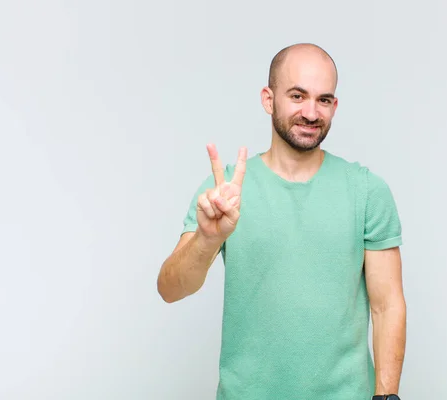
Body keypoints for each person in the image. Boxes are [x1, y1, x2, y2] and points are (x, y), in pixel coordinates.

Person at [157, 43, 406, 400]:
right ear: (268, 99)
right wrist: (207, 240)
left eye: (323, 100)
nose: (310, 112)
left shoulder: (367, 190)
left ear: (334, 106)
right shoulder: (225, 191)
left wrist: (386, 397)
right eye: (297, 95)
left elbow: (387, 305)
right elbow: (170, 289)